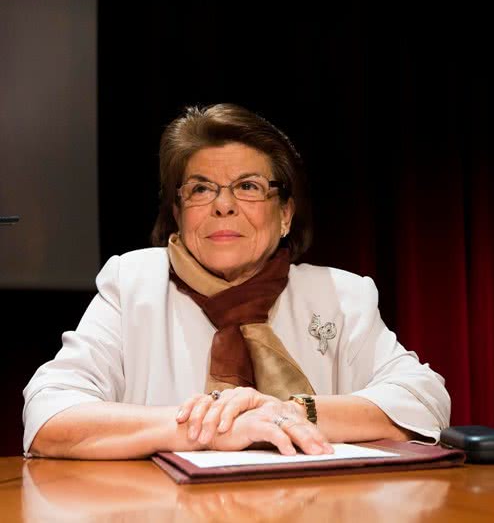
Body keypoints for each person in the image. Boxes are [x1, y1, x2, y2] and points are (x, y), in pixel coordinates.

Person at [23, 104, 450, 459]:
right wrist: (207, 428)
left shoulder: (340, 294)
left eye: (248, 186)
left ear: (285, 214)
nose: (223, 206)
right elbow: (49, 415)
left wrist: (293, 412)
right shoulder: (132, 283)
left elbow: (424, 400)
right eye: (201, 189)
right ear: (178, 211)